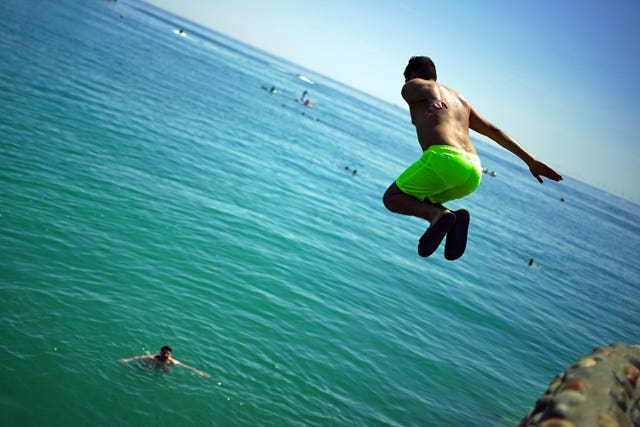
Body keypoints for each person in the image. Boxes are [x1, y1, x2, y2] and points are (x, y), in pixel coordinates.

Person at [383, 56, 562, 260]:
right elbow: (493, 130)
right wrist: (530, 160)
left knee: (392, 198)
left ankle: (437, 216)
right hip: (473, 171)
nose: (407, 84)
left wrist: (433, 100)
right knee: (419, 199)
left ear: (413, 74)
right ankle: (453, 218)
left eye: (408, 78)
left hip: (445, 158)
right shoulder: (461, 101)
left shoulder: (414, 86)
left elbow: (424, 88)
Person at [118, 345, 210, 378]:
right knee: (145, 367)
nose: (166, 355)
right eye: (164, 353)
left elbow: (186, 366)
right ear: (160, 352)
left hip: (163, 366)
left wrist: (199, 372)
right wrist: (126, 360)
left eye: (168, 353)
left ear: (170, 354)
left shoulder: (172, 361)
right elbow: (139, 357)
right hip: (154, 363)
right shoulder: (153, 357)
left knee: (169, 372)